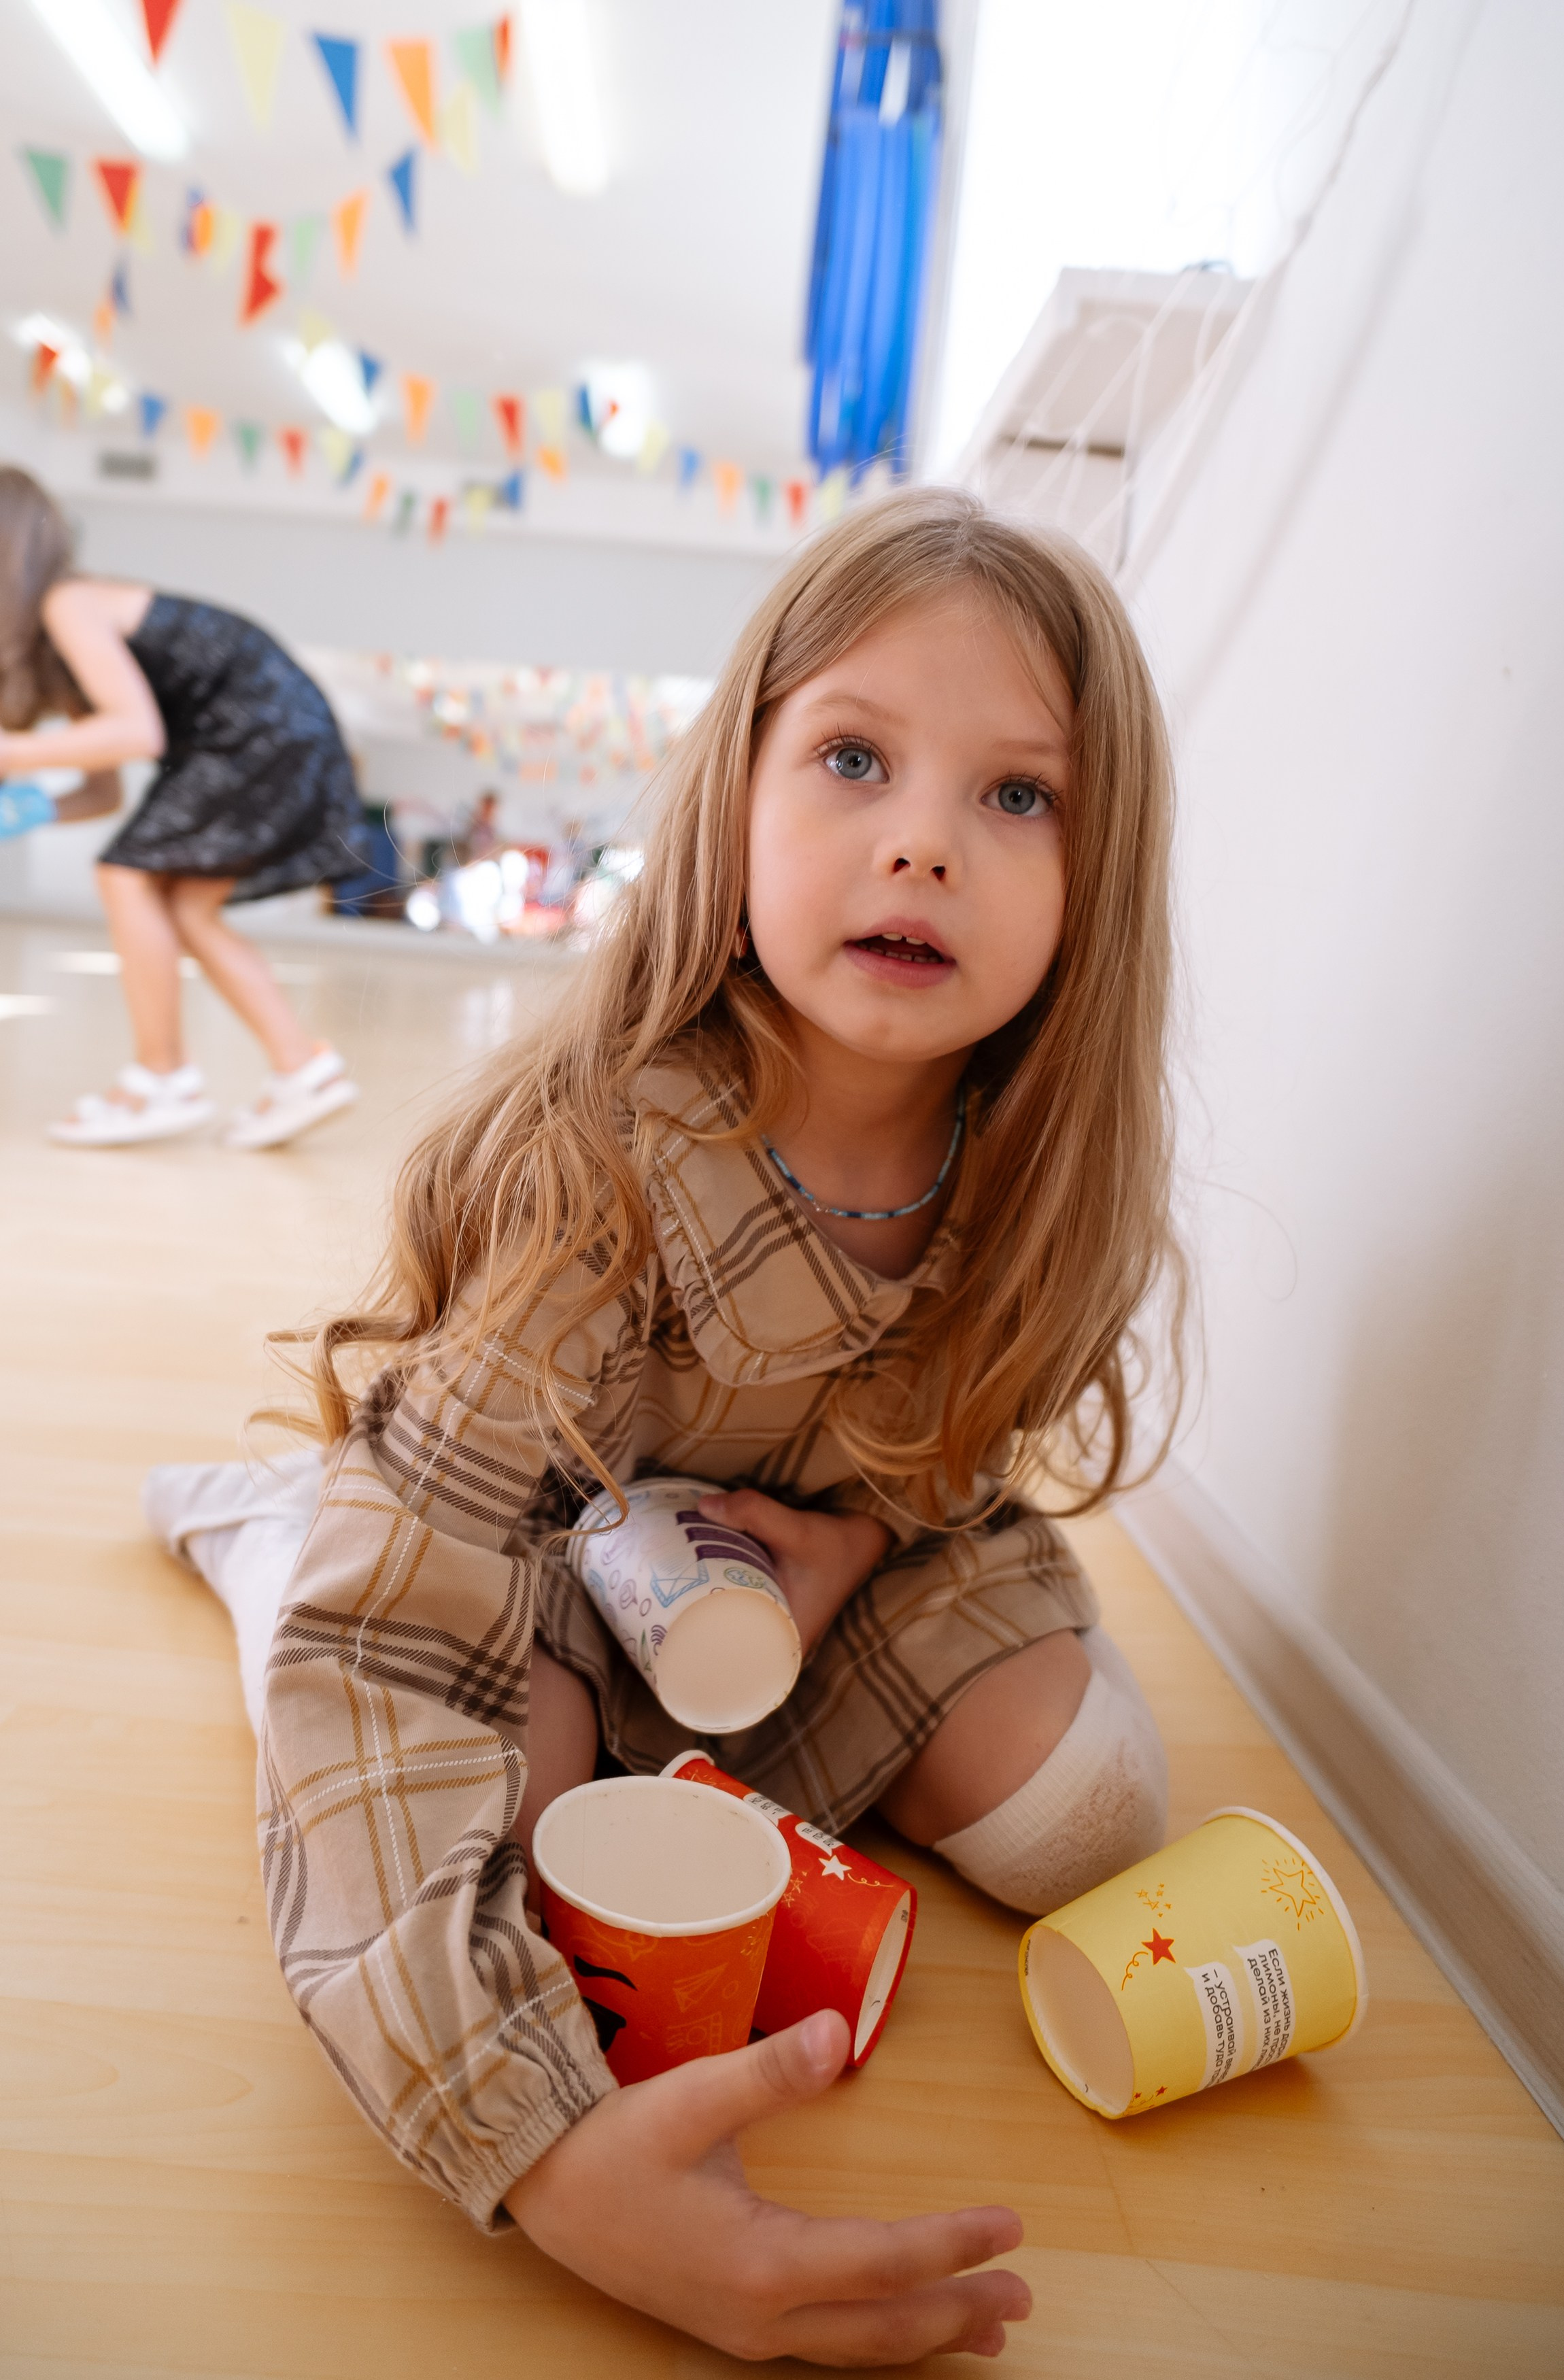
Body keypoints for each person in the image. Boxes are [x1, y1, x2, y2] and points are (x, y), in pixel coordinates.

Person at [145, 490, 1185, 2363]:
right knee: (536, 1857)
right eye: (853, 756)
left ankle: (654, 1668)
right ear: (736, 798)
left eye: (1014, 796)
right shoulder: (601, 1173)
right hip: (532, 1554)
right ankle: (275, 1535)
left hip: (800, 1566)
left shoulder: (1030, 1174)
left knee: (1089, 1813)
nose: (923, 842)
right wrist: (549, 2157)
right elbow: (405, 1646)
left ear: (1090, 881)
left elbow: (957, 1441)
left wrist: (854, 1541)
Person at [0, 466, 363, 1148]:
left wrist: (12, 755)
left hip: (258, 728)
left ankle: (159, 1078)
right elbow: (101, 790)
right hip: (271, 730)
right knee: (184, 907)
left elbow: (138, 732)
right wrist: (23, 809)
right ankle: (303, 1067)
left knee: (124, 874)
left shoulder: (69, 604)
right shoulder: (60, 646)